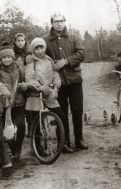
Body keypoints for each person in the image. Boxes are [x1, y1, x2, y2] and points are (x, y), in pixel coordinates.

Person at [42, 12, 88, 150]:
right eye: (56, 21)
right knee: (60, 112)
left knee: (77, 110)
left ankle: (79, 139)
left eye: (61, 21)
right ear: (52, 23)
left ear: (65, 21)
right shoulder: (45, 40)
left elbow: (81, 54)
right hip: (58, 83)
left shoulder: (74, 36)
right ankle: (64, 142)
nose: (59, 23)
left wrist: (66, 61)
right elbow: (41, 57)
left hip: (74, 80)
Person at [25, 37, 73, 153]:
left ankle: (62, 144)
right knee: (37, 121)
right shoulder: (31, 62)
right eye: (36, 48)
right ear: (33, 50)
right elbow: (29, 78)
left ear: (45, 48)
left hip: (49, 94)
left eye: (41, 47)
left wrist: (56, 87)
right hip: (36, 95)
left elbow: (55, 74)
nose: (40, 51)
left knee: (61, 116)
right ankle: (38, 148)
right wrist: (40, 87)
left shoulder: (49, 60)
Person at [0, 43, 27, 162]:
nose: (7, 60)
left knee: (21, 125)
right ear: (0, 59)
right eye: (4, 57)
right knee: (7, 129)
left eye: (9, 57)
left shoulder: (19, 68)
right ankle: (13, 150)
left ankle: (17, 148)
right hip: (4, 105)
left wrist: (24, 87)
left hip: (18, 102)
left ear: (12, 58)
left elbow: (23, 81)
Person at [12, 33, 33, 137]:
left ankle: (31, 128)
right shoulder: (12, 54)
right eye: (18, 41)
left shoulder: (29, 54)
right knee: (19, 107)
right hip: (17, 83)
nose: (20, 43)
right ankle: (18, 130)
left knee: (29, 107)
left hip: (28, 81)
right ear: (15, 42)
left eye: (22, 40)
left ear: (25, 41)